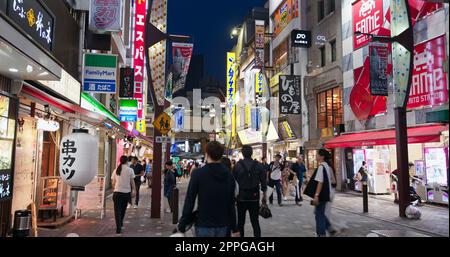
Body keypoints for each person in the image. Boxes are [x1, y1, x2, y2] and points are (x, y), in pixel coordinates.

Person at [177, 141, 238, 237]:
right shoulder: (229, 176)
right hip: (224, 224)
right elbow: (231, 203)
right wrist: (235, 228)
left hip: (204, 223)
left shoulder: (198, 174)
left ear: (207, 154)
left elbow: (190, 200)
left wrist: (182, 223)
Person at [233, 146, 267, 237]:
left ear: (242, 153)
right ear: (252, 153)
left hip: (241, 198)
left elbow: (233, 182)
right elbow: (264, 182)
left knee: (240, 222)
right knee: (255, 222)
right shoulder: (259, 165)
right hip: (254, 197)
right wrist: (264, 195)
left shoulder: (237, 165)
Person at [311, 149, 338, 237]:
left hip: (321, 195)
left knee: (319, 214)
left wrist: (316, 195)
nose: (316, 156)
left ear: (322, 156)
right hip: (327, 193)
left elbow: (320, 182)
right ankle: (330, 229)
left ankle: (321, 233)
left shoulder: (321, 167)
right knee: (320, 213)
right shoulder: (326, 165)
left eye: (317, 154)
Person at [111, 155, 136, 234]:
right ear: (126, 161)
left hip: (117, 193)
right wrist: (134, 190)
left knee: (117, 210)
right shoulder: (130, 170)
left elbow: (113, 182)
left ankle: (118, 227)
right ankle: (120, 223)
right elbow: (132, 182)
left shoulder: (116, 170)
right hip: (126, 193)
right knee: (123, 210)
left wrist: (115, 188)